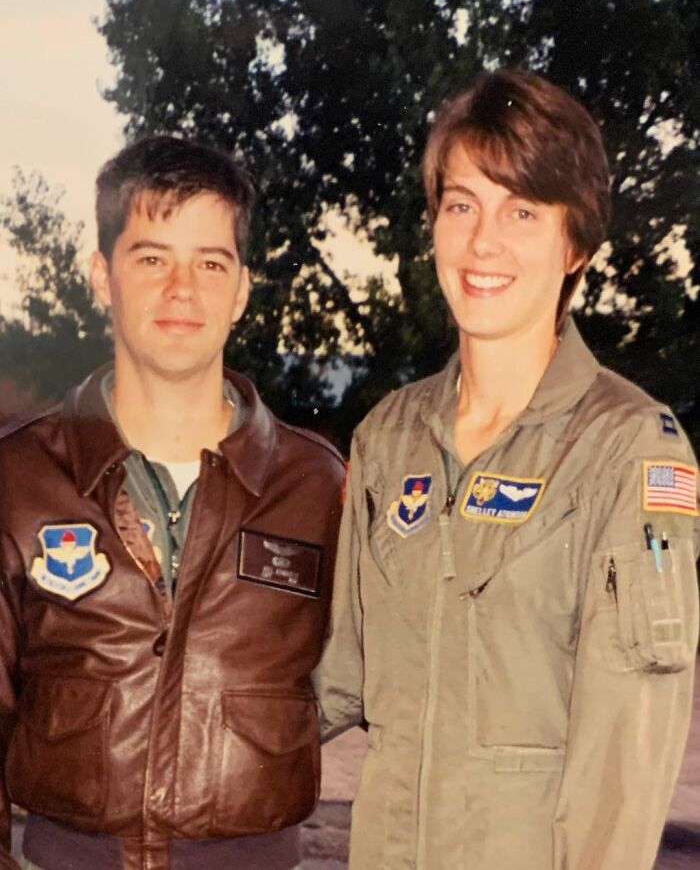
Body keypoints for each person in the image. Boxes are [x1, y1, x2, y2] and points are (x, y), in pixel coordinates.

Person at [313, 69, 700, 870]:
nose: (483, 242)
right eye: (462, 205)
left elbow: (621, 765)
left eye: (522, 210)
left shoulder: (626, 449)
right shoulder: (388, 438)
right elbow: (333, 682)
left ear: (575, 244)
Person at [0, 135, 344, 870]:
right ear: (102, 275)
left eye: (210, 263)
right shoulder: (20, 477)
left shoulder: (319, 487)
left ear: (242, 288)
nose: (182, 289)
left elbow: (367, 682)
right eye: (152, 257)